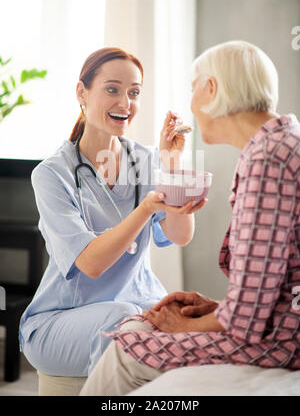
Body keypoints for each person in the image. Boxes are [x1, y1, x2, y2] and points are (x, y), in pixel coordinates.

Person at [80, 40, 300, 396]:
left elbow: (246, 317)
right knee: (137, 329)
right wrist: (216, 308)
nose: (191, 104)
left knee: (124, 349)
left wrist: (185, 324)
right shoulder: (283, 141)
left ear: (211, 88)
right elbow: (273, 285)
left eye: (193, 88)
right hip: (283, 324)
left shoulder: (266, 161)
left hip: (284, 340)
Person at [19, 47, 207, 377]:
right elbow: (91, 264)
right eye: (112, 89)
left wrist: (172, 164)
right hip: (62, 320)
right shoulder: (52, 174)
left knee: (190, 317)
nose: (125, 103)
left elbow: (181, 234)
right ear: (82, 93)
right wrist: (146, 207)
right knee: (123, 320)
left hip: (138, 305)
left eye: (133, 93)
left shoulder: (147, 160)